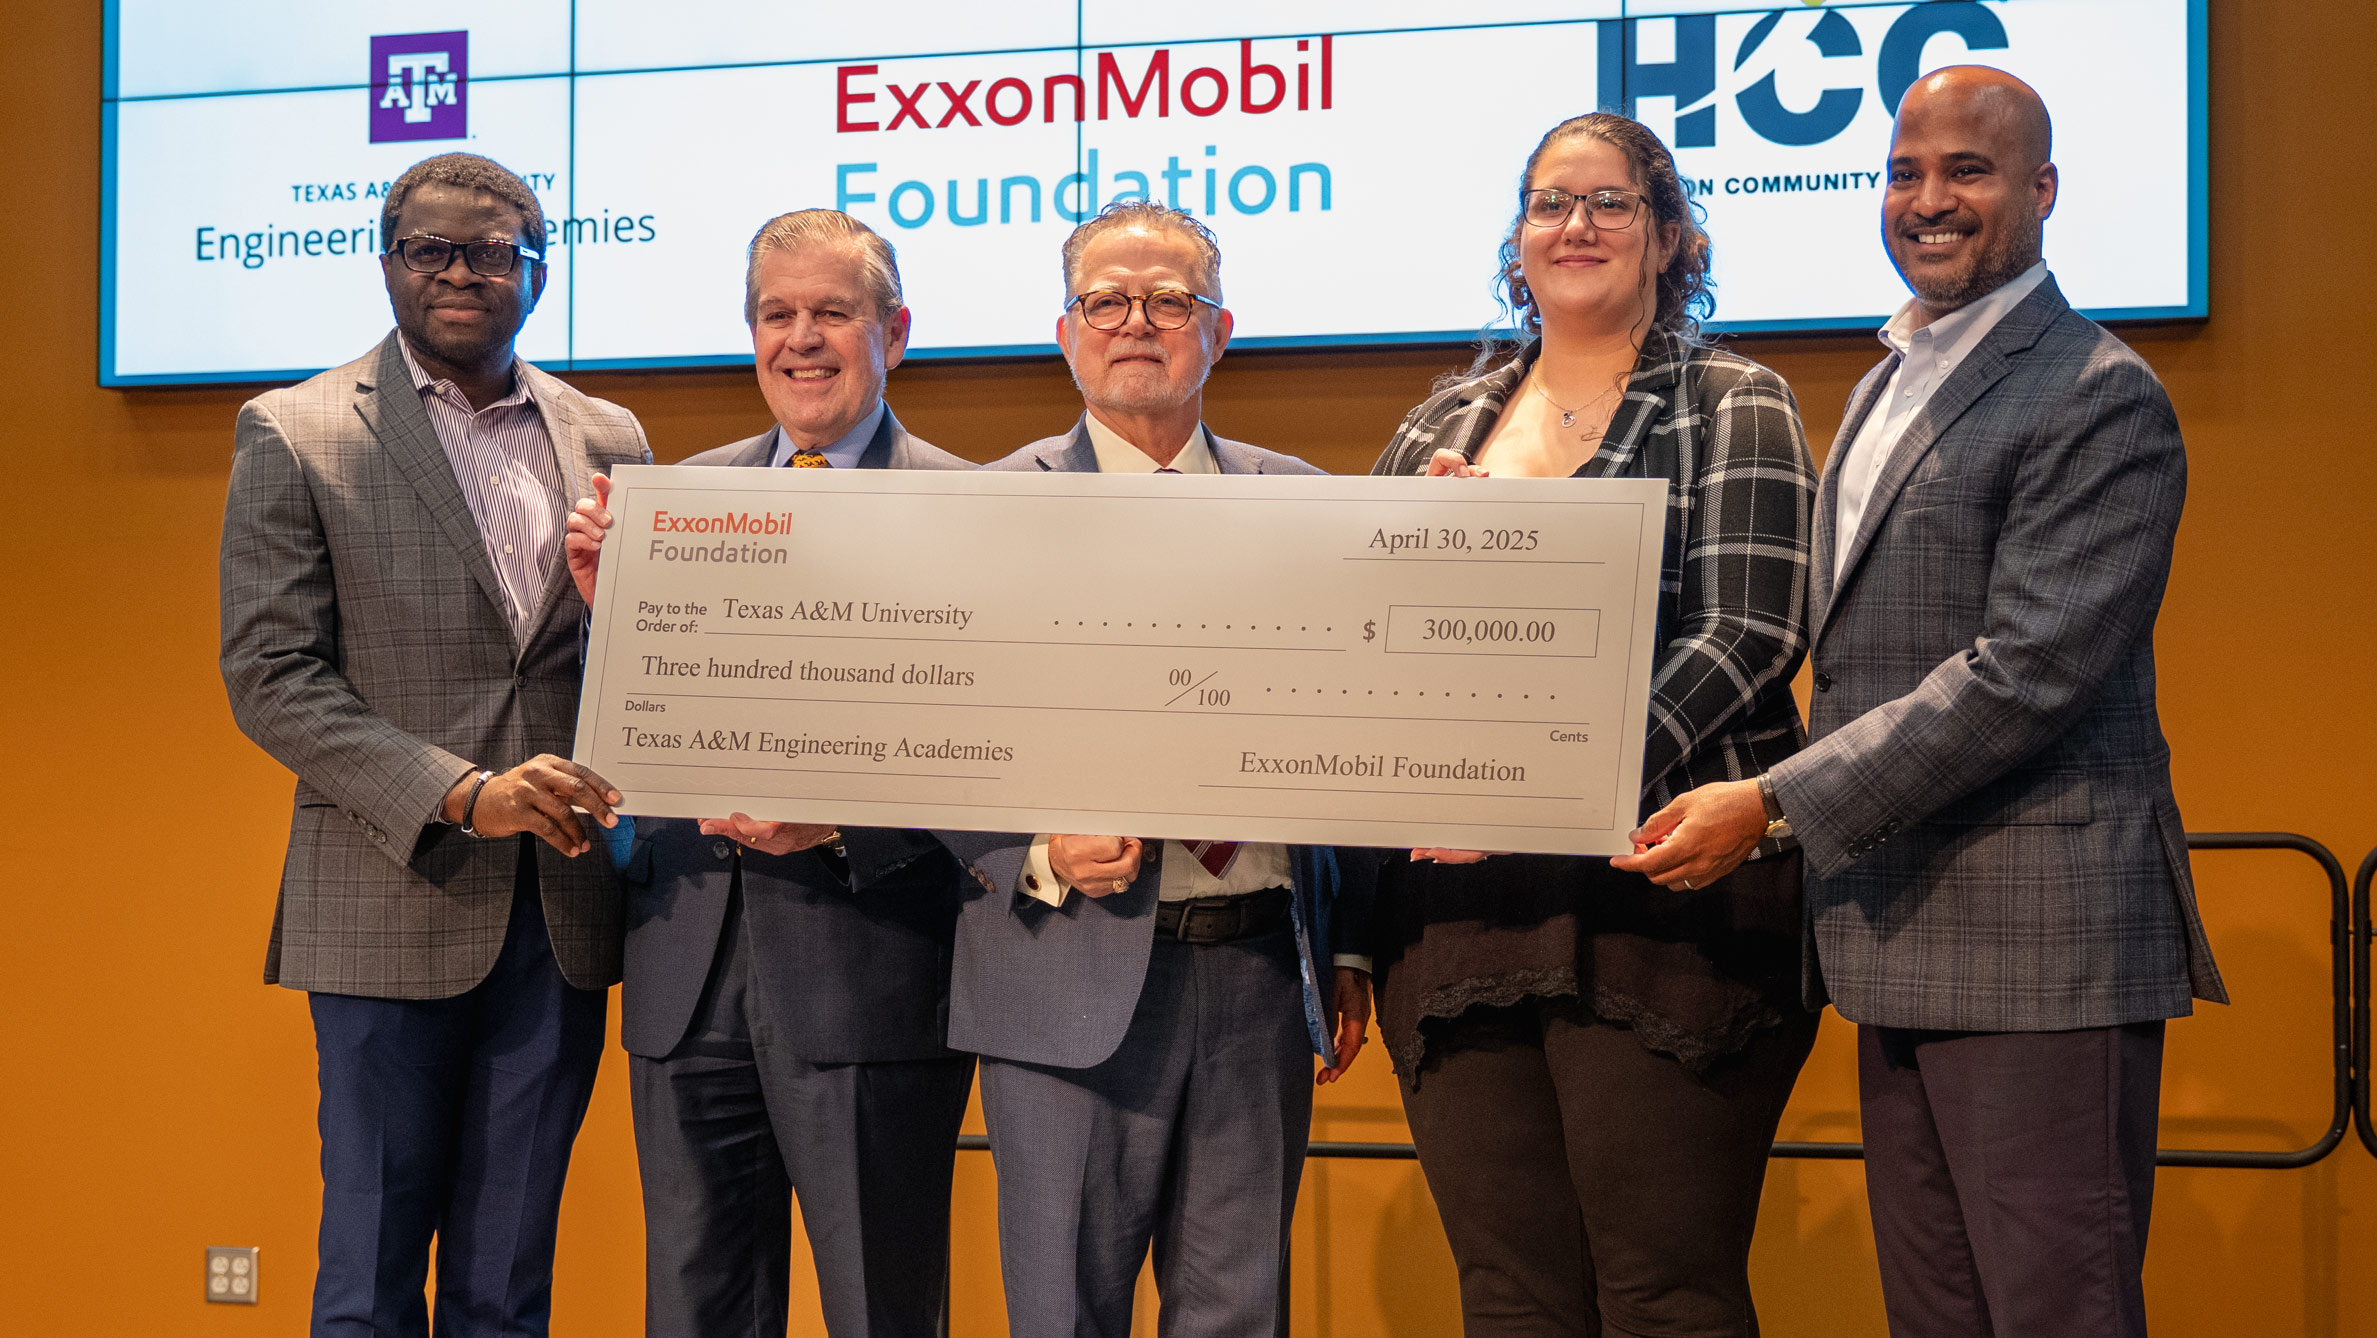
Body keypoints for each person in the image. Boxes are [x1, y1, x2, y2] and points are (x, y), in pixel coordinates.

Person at [1618, 68, 2226, 1338]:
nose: (1927, 199)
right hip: (1897, 932)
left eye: (1968, 170)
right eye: (1905, 170)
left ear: (2042, 191)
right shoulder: (1893, 374)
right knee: (1937, 1315)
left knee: (2054, 1308)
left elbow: (2027, 672)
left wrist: (1775, 804)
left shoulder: (2097, 392)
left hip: (2039, 946)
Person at [1368, 112, 1820, 1336]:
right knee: (1510, 1297)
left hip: (1659, 902)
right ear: (1517, 244)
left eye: (1610, 203)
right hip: (1459, 917)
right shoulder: (1435, 426)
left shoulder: (1735, 402)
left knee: (1663, 1292)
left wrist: (1532, 788)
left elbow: (1747, 637)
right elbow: (1364, 648)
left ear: (1671, 238)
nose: (1574, 226)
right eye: (1548, 203)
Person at [218, 152, 647, 1338]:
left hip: (562, 911)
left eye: (494, 251)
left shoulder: (609, 434)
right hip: (385, 896)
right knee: (367, 1276)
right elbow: (268, 675)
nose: (462, 273)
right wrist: (462, 793)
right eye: (431, 250)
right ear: (389, 261)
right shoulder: (297, 430)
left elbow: (646, 655)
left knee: (508, 1287)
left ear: (540, 270)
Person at [933, 199, 1372, 1338]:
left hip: (1263, 978)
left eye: (1169, 300)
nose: (1138, 322)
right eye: (1106, 301)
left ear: (1217, 331)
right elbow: (921, 741)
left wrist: (1355, 939)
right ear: (1067, 333)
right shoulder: (976, 511)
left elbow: (1367, 733)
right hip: (1058, 971)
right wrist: (1030, 851)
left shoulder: (1312, 508)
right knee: (1062, 1315)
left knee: (1240, 1314)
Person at [562, 210, 976, 1338]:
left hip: (872, 981)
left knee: (880, 1310)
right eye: (776, 314)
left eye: (832, 313)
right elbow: (628, 734)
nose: (802, 339)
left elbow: (989, 753)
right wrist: (615, 620)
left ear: (894, 331)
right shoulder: (672, 501)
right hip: (685, 976)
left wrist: (841, 825)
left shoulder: (976, 510)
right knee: (693, 1311)